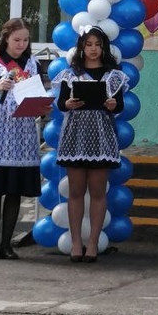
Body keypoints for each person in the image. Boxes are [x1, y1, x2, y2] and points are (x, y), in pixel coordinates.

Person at [0, 17, 47, 260]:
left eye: (25, 40)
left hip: (22, 134)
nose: (21, 44)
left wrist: (43, 105)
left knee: (14, 191)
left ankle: (7, 244)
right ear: (6, 39)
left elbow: (38, 96)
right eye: (16, 40)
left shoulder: (33, 64)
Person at [53, 26, 129, 263]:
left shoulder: (113, 75)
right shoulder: (70, 74)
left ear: (104, 47)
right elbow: (61, 103)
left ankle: (93, 243)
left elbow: (120, 105)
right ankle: (76, 243)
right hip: (75, 136)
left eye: (98, 44)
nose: (93, 49)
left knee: (98, 191)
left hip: (101, 136)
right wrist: (68, 104)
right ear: (81, 47)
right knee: (75, 192)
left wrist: (113, 105)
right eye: (88, 44)